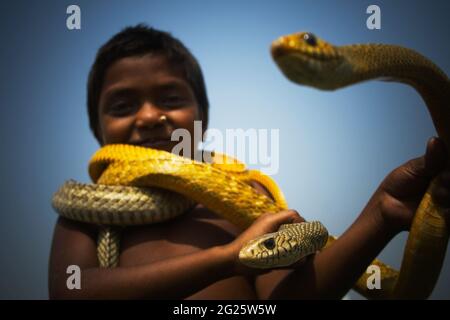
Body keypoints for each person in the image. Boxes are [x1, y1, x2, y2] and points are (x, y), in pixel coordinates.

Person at [48, 24, 450, 299]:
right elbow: (73, 291)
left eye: (171, 99)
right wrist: (230, 260)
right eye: (122, 105)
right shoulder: (89, 206)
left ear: (202, 115)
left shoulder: (248, 192)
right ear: (97, 126)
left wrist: (382, 213)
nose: (151, 116)